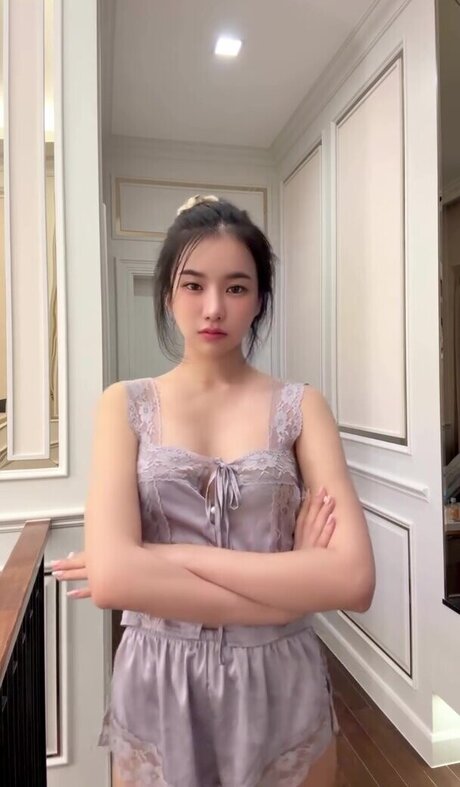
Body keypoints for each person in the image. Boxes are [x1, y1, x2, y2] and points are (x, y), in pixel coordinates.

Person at [52, 195, 375, 787]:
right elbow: (116, 583)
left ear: (260, 298)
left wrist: (164, 556)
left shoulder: (302, 407)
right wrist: (292, 589)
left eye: (236, 288)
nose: (213, 307)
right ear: (168, 293)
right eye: (193, 284)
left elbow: (353, 581)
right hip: (160, 678)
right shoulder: (124, 404)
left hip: (281, 679)